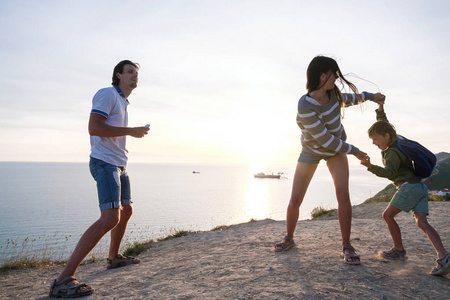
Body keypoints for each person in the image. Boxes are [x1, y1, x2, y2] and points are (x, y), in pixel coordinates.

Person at [49, 60, 150, 298]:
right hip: (104, 163)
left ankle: (113, 258)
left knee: (126, 211)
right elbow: (94, 128)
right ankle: (63, 279)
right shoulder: (107, 94)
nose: (135, 76)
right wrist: (131, 131)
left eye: (137, 73)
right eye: (130, 72)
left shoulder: (124, 101)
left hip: (119, 164)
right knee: (109, 219)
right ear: (118, 75)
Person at [274, 55, 385, 266]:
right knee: (295, 198)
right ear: (323, 75)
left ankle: (346, 244)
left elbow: (351, 99)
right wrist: (356, 151)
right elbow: (326, 140)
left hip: (336, 151)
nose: (337, 78)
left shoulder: (333, 95)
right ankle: (289, 237)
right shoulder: (305, 105)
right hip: (312, 151)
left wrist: (372, 97)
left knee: (343, 194)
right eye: (334, 74)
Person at [360, 102, 450, 276]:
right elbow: (384, 124)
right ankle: (444, 255)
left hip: (408, 187)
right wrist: (380, 109)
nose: (373, 143)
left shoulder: (392, 152)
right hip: (420, 187)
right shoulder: (397, 139)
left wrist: (370, 166)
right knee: (422, 223)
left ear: (386, 136)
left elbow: (389, 172)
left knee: (387, 215)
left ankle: (399, 250)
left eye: (375, 139)